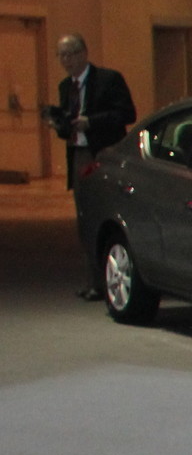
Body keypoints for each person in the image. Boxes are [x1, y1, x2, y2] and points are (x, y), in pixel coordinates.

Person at [49, 34, 136, 300]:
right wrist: (60, 125)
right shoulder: (66, 86)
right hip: (79, 154)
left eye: (71, 53)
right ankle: (95, 282)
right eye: (61, 55)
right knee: (86, 219)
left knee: (110, 215)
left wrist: (92, 121)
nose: (67, 60)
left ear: (84, 53)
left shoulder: (108, 80)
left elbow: (127, 114)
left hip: (105, 154)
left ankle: (119, 276)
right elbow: (69, 128)